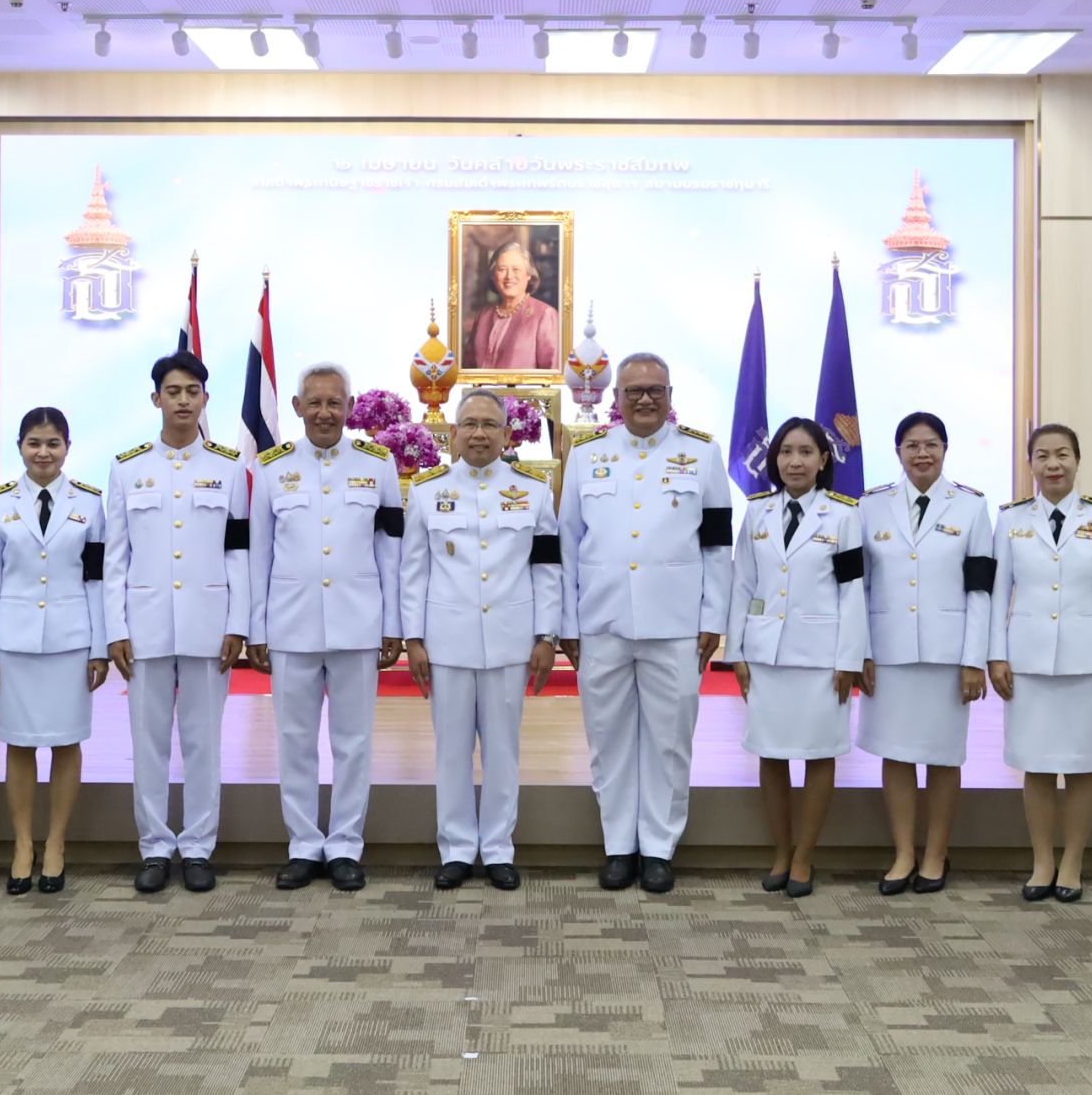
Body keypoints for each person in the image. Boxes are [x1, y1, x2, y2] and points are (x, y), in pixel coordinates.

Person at [558, 352, 732, 894]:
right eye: (633, 390)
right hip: (602, 620)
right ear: (616, 398)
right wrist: (568, 622)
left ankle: (658, 848)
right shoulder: (587, 454)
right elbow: (567, 543)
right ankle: (619, 846)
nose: (645, 399)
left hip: (676, 623)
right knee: (607, 739)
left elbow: (717, 543)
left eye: (656, 389)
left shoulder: (701, 453)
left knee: (669, 742)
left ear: (670, 395)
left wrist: (713, 615)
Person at [249, 362, 404, 891]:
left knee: (353, 742)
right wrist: (257, 629)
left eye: (334, 402)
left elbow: (391, 550)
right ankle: (303, 845)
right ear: (296, 407)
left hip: (358, 622)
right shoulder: (271, 467)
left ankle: (344, 846)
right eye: (314, 403)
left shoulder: (378, 464)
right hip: (290, 623)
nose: (324, 413)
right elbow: (259, 554)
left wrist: (393, 623)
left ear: (350, 407)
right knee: (294, 740)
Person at [400, 388, 561, 891]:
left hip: (511, 641)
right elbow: (413, 571)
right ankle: (454, 849)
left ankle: (497, 849)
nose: (479, 434)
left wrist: (547, 634)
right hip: (446, 642)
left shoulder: (534, 491)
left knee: (503, 752)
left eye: (490, 425)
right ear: (452, 433)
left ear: (507, 434)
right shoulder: (426, 492)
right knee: (450, 751)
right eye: (469, 424)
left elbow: (547, 568)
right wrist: (413, 637)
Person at [106, 351, 250, 895]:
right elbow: (114, 557)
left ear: (205, 399)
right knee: (147, 743)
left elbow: (238, 551)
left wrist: (238, 622)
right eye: (173, 391)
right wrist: (115, 628)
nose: (183, 400)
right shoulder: (128, 467)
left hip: (209, 624)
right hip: (143, 625)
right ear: (156, 399)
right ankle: (154, 847)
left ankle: (197, 848)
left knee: (203, 742)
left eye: (192, 391)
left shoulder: (228, 467)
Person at [987, 423, 1092, 904]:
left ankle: (1072, 862)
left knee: (1083, 766)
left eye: (1063, 454)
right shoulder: (1010, 520)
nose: (1053, 464)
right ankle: (1042, 861)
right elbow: (998, 593)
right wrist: (996, 653)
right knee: (1036, 765)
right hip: (1026, 661)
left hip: (1088, 662)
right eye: (1043, 456)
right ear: (1030, 463)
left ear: (1077, 460)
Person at [726, 418, 867, 899]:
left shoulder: (844, 516)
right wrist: (736, 651)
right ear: (775, 459)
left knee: (819, 753)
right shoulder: (757, 513)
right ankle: (782, 852)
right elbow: (743, 584)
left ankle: (805, 855)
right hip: (766, 654)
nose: (795, 461)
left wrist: (849, 658)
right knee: (770, 752)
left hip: (822, 658)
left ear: (823, 460)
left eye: (806, 452)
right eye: (786, 452)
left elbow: (852, 592)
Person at [0, 406, 108, 895]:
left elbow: (97, 579)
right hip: (14, 642)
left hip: (71, 641)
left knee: (67, 742)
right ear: (20, 447)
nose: (43, 453)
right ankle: (23, 844)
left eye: (53, 443)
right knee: (20, 743)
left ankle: (56, 844)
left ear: (68, 447)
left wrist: (99, 647)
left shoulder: (90, 503)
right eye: (34, 443)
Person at [856, 411, 993, 895]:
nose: (922, 453)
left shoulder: (971, 507)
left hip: (946, 654)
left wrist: (974, 659)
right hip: (888, 651)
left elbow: (981, 590)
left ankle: (935, 854)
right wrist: (860, 652)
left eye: (931, 444)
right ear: (897, 451)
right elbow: (859, 588)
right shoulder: (870, 505)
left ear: (945, 449)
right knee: (895, 754)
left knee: (942, 755)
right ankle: (903, 854)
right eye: (912, 445)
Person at [464, 240, 559, 372]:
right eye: (502, 269)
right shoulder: (483, 315)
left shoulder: (545, 315)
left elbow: (552, 374)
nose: (509, 276)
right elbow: (467, 368)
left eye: (516, 269)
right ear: (493, 276)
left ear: (528, 275)